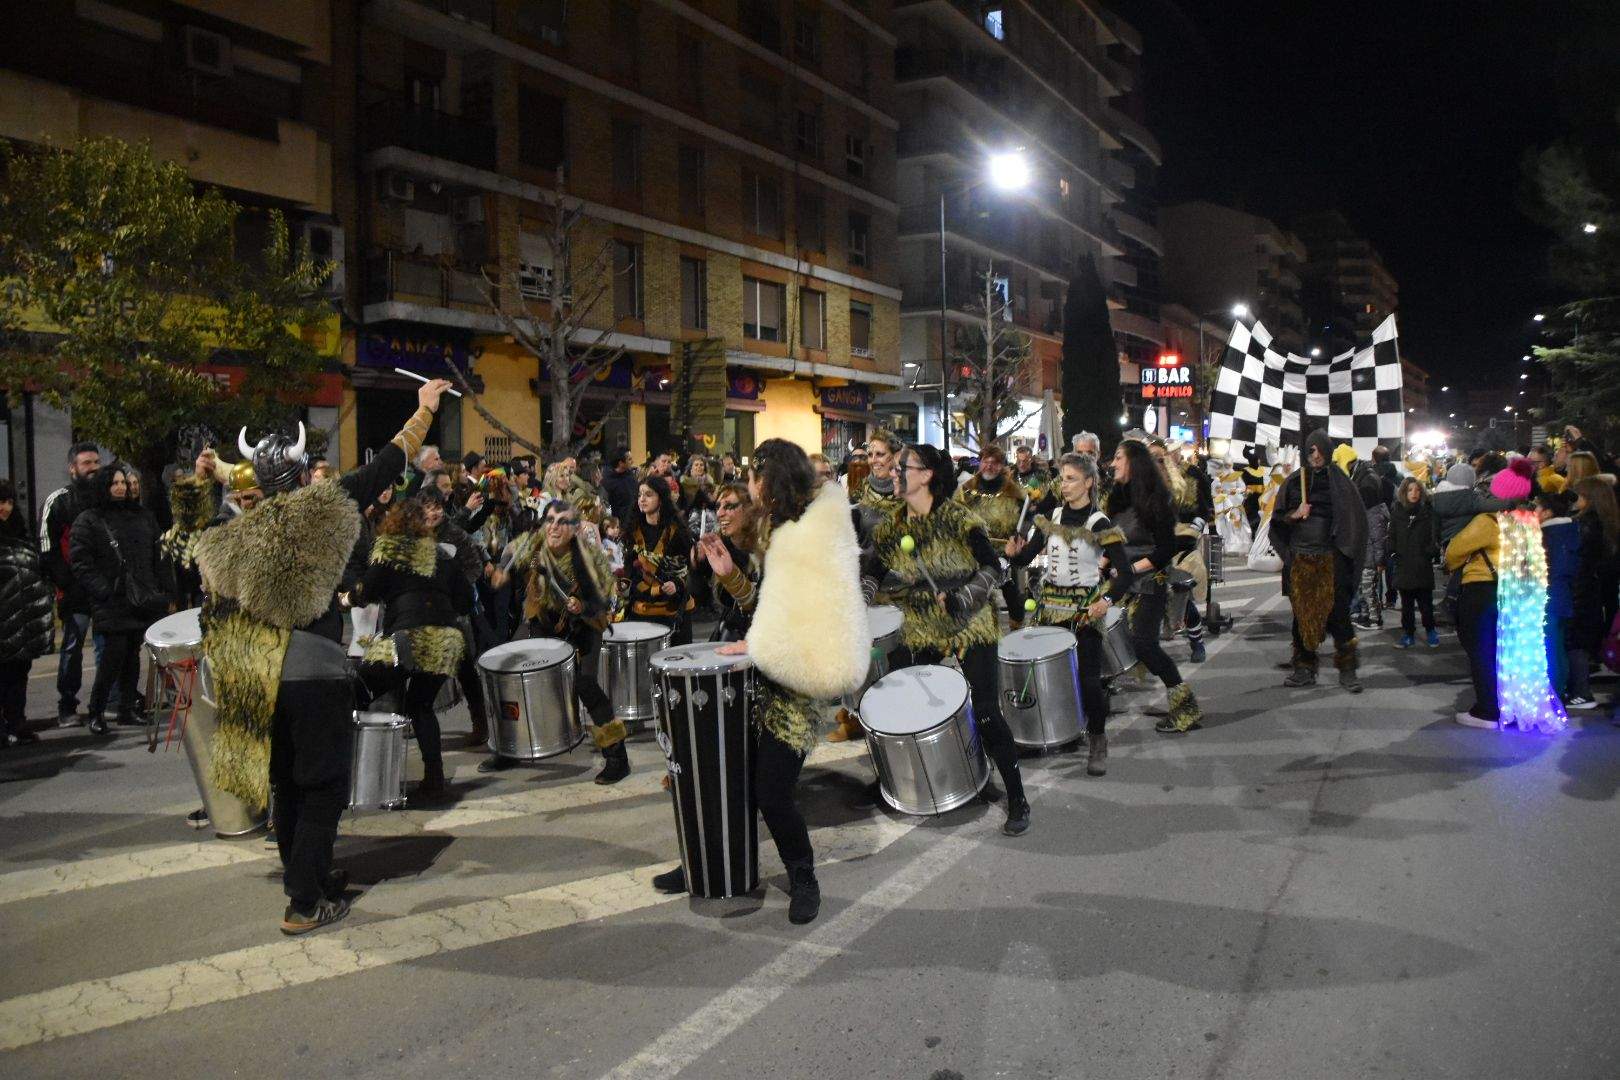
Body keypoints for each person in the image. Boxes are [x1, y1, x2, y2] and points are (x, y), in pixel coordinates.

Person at [195, 378, 453, 935]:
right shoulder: (326, 508)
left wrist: (207, 477)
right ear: (300, 473)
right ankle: (305, 901)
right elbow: (387, 464)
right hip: (314, 669)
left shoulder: (236, 533)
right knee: (323, 786)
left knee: (288, 785)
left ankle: (308, 876)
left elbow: (206, 575)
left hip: (261, 675)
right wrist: (424, 411)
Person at [653, 440, 870, 924]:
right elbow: (765, 609)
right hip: (763, 674)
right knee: (724, 777)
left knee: (771, 791)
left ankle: (803, 877)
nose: (748, 487)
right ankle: (706, 864)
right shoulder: (782, 532)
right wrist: (730, 576)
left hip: (798, 685)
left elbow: (812, 623)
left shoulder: (813, 538)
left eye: (753, 477)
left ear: (770, 481)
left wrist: (757, 645)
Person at [862, 442, 1032, 834]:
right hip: (921, 620)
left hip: (969, 619)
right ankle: (902, 781)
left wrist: (962, 598)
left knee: (986, 711)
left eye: (903, 467)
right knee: (899, 701)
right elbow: (872, 574)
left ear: (926, 476)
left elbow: (993, 569)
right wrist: (858, 605)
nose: (893, 472)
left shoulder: (960, 519)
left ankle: (1017, 796)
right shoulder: (892, 527)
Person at [1005, 452, 1133, 774]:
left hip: (1085, 610)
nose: (1064, 484)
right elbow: (1025, 559)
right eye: (1062, 478)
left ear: (1088, 482)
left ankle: (1098, 740)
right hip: (1050, 608)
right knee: (1046, 675)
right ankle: (1051, 730)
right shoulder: (1051, 516)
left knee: (1089, 680)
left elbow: (1126, 574)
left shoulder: (1100, 523)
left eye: (1071, 478)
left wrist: (1106, 601)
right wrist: (1014, 555)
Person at [487, 499, 631, 783]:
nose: (554, 527)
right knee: (515, 675)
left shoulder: (589, 556)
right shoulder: (534, 545)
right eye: (550, 520)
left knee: (585, 684)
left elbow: (606, 599)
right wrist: (502, 569)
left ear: (575, 528)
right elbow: (511, 550)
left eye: (563, 521)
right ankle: (510, 747)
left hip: (584, 626)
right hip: (544, 621)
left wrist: (583, 605)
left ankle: (617, 757)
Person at [353, 494, 473, 799]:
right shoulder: (441, 554)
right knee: (420, 704)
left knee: (358, 690)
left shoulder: (390, 548)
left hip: (408, 639)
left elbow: (367, 590)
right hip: (446, 640)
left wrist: (349, 597)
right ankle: (434, 776)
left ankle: (361, 774)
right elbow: (465, 600)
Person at [1106, 440, 1206, 729]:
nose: (1113, 463)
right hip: (1123, 583)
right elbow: (1112, 540)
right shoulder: (1117, 498)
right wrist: (1104, 562)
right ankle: (1097, 703)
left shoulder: (1156, 500)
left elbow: (1164, 551)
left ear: (1134, 463)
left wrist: (1130, 569)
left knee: (1145, 645)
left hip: (1150, 583)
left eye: (1119, 458)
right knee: (1102, 638)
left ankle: (1186, 708)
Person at [69, 462, 172, 735]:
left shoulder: (142, 516)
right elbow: (80, 562)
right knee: (112, 658)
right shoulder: (89, 519)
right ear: (103, 486)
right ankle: (97, 710)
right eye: (114, 483)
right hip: (112, 601)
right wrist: (104, 590)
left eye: (123, 483)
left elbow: (159, 553)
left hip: (141, 599)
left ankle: (127, 708)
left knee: (132, 657)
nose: (120, 487)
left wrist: (162, 589)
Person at [1270, 429, 1370, 695]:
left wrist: (1343, 552)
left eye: (1319, 450)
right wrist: (1295, 514)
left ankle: (1347, 669)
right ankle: (1304, 667)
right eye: (1311, 450)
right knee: (1302, 617)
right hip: (1301, 559)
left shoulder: (1341, 483)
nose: (1315, 455)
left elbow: (1354, 521)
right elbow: (1278, 521)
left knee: (1339, 616)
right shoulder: (1294, 482)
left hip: (1330, 559)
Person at [1444, 459, 1535, 727]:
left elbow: (1454, 551)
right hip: (1515, 588)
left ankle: (1487, 710)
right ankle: (1510, 705)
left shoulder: (1487, 521)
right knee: (1506, 651)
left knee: (1481, 650)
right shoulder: (1527, 520)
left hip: (1483, 589)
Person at [39, 441, 101, 727]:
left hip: (104, 589)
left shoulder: (106, 498)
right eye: (87, 463)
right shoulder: (59, 501)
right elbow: (47, 548)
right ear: (72, 468)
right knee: (73, 648)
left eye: (96, 462)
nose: (93, 468)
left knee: (109, 647)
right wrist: (67, 583)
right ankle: (67, 706)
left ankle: (108, 701)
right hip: (74, 590)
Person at [0, 480, 54, 746]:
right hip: (4, 624)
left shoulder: (21, 536)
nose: (6, 507)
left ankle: (17, 723)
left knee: (18, 677)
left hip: (22, 625)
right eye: (1, 502)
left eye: (9, 502)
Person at [957, 445, 1029, 628]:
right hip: (974, 549)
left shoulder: (1014, 491)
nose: (989, 466)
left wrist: (1018, 537)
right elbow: (955, 516)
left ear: (1002, 466)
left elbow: (1026, 519)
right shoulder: (965, 490)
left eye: (995, 462)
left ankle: (1017, 625)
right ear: (980, 463)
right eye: (985, 461)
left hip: (1005, 550)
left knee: (1010, 588)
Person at [1565, 477, 1620, 711]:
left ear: (1589, 498)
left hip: (1581, 591)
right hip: (1596, 592)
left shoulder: (1584, 526)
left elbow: (1578, 562)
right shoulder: (1608, 525)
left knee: (1574, 641)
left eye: (1578, 495)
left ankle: (1581, 693)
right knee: (1580, 641)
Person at [624, 478, 692, 641]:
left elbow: (687, 569)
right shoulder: (632, 530)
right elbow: (629, 569)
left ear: (661, 499)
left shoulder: (677, 532)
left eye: (648, 495)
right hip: (642, 611)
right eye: (640, 495)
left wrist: (676, 584)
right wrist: (624, 584)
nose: (642, 499)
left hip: (673, 612)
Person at [689, 484, 757, 643]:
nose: (719, 513)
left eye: (729, 506)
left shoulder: (765, 550)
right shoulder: (720, 547)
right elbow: (701, 598)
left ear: (750, 509)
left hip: (758, 637)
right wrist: (697, 566)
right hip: (730, 631)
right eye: (718, 506)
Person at [1536, 491, 1580, 700]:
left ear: (1547, 512)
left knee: (1551, 645)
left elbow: (1552, 570)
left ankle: (1554, 691)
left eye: (1538, 507)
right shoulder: (1571, 531)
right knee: (1558, 644)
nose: (1534, 511)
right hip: (1565, 596)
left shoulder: (1548, 536)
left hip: (1550, 596)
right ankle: (1559, 688)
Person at [1388, 477, 1440, 649]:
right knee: (1407, 604)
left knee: (1426, 603)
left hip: (1422, 563)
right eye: (1410, 490)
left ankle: (1431, 630)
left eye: (1417, 490)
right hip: (1404, 564)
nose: (1414, 493)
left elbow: (1434, 535)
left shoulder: (1427, 511)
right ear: (1404, 492)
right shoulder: (1397, 512)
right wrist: (1393, 552)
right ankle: (1408, 633)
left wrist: (1430, 551)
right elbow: (1392, 535)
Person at [602, 447, 640, 527]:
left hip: (634, 520)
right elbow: (607, 504)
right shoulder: (608, 480)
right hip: (618, 523)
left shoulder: (630, 476)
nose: (632, 462)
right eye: (629, 459)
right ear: (621, 463)